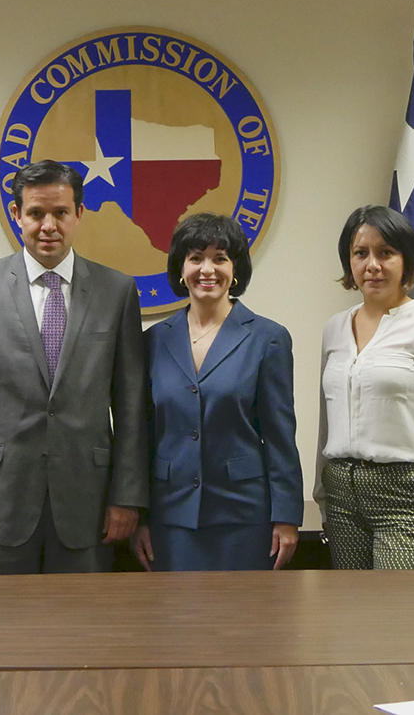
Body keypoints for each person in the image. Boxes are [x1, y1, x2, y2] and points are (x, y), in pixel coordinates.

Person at [0, 159, 147, 574]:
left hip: (88, 502)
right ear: (17, 215)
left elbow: (131, 407)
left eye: (60, 213)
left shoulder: (117, 291)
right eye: (36, 213)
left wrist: (127, 496)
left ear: (79, 215)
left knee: (81, 631)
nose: (48, 225)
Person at [133, 214, 302, 571]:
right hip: (171, 516)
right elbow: (144, 436)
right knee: (177, 623)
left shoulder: (267, 338)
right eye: (195, 257)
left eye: (220, 258)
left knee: (241, 624)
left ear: (235, 268)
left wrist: (287, 517)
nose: (207, 269)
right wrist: (140, 517)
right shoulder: (153, 341)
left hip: (243, 516)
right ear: (181, 268)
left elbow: (280, 435)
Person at [315, 205, 414, 570]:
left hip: (405, 493)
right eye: (360, 253)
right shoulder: (335, 328)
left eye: (386, 252)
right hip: (341, 494)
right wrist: (321, 495)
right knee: (351, 612)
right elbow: (326, 417)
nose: (372, 265)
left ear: (407, 261)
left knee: (398, 612)